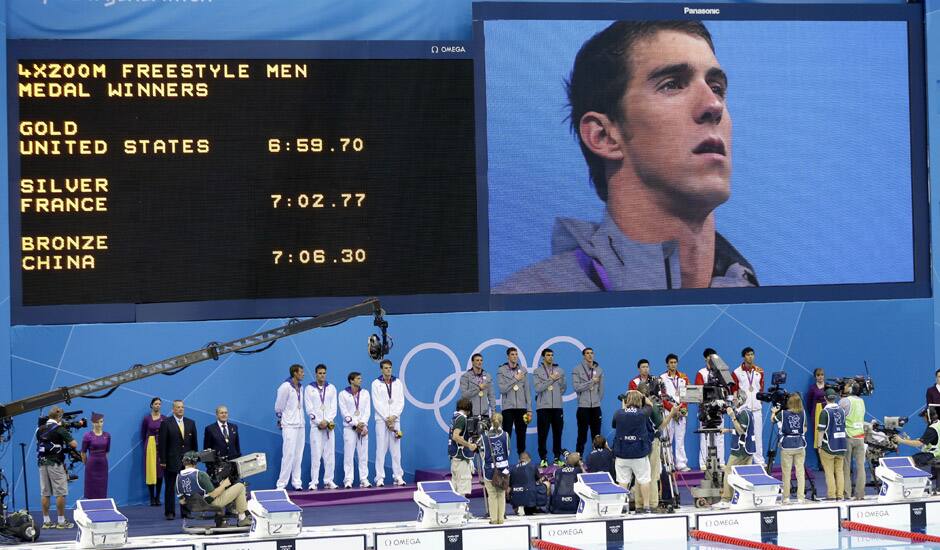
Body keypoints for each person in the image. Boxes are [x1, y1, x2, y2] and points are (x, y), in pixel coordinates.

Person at [494, 21, 758, 293]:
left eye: (716, 88)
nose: (713, 105)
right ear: (603, 137)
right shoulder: (520, 310)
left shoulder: (773, 318)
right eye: (672, 85)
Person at [175, 451, 251, 527]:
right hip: (210, 504)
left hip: (192, 507)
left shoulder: (178, 478)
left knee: (220, 491)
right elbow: (214, 494)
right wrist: (224, 485)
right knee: (240, 486)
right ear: (195, 462)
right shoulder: (201, 475)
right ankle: (242, 519)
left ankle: (220, 521)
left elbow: (182, 501)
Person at [612, 391, 654, 514]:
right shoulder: (642, 414)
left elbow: (615, 425)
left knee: (622, 481)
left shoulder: (618, 413)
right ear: (639, 401)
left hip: (622, 453)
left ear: (626, 401)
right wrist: (643, 397)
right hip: (639, 453)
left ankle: (622, 506)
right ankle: (646, 507)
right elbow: (650, 405)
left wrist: (623, 406)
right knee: (644, 480)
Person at [36, 406, 78, 529]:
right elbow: (74, 444)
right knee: (60, 493)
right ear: (59, 417)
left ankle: (46, 521)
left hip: (42, 463)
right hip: (55, 463)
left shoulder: (39, 429)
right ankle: (60, 521)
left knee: (45, 493)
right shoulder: (60, 429)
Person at [713, 392, 756, 509]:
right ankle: (746, 499)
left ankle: (726, 499)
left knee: (728, 471)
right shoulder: (747, 412)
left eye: (735, 399)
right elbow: (740, 431)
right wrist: (727, 430)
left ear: (741, 400)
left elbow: (741, 431)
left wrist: (732, 417)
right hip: (747, 448)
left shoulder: (743, 413)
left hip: (740, 450)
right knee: (744, 474)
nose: (733, 400)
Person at [158, 399, 198, 520]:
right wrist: (163, 460)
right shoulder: (166, 423)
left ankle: (186, 512)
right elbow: (162, 444)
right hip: (170, 461)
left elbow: (194, 444)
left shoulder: (191, 423)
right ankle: (169, 512)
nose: (180, 409)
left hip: (187, 463)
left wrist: (194, 460)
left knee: (186, 488)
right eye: (178, 407)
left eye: (182, 407)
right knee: (170, 487)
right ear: (173, 409)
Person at [372, 359, 406, 486]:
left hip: (395, 419)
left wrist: (394, 416)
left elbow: (400, 401)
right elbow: (377, 403)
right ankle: (379, 477)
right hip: (382, 420)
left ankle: (398, 476)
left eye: (390, 368)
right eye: (385, 368)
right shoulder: (376, 383)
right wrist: (387, 417)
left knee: (396, 450)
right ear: (381, 369)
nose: (388, 370)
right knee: (381, 449)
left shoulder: (398, 383)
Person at [304, 364, 338, 490]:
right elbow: (309, 409)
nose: (322, 375)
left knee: (330, 455)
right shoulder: (309, 389)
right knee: (316, 455)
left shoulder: (332, 388)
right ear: (315, 374)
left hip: (329, 426)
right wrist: (319, 421)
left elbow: (334, 407)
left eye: (324, 373)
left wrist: (327, 421)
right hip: (316, 427)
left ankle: (329, 480)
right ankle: (314, 481)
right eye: (320, 373)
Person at [275, 364, 306, 491]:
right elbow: (278, 406)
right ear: (295, 373)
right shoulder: (285, 387)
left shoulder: (301, 387)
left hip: (300, 424)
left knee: (299, 455)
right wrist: (282, 420)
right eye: (301, 372)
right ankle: (281, 484)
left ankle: (296, 482)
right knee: (288, 454)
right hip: (289, 425)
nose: (303, 374)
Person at [893, 406, 940, 491]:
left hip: (934, 454)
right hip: (936, 452)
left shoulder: (932, 428)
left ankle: (915, 487)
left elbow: (919, 444)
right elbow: (933, 441)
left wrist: (902, 441)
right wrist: (911, 440)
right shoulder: (938, 424)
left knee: (910, 461)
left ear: (928, 416)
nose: (923, 420)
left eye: (923, 417)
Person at [731, 347, 765, 465]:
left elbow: (760, 388)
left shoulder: (759, 371)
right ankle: (744, 461)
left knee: (758, 436)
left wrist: (759, 402)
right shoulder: (736, 372)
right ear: (743, 356)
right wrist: (736, 407)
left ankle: (759, 461)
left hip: (756, 409)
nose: (750, 357)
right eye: (748, 355)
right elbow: (734, 390)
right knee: (743, 436)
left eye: (752, 354)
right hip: (743, 410)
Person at [339, 371, 372, 488]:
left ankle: (364, 479)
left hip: (363, 428)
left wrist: (362, 424)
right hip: (349, 429)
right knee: (349, 455)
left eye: (360, 378)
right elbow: (344, 412)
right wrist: (354, 424)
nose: (360, 380)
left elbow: (367, 411)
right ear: (351, 380)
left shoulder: (365, 393)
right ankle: (348, 480)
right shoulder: (343, 394)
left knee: (363, 455)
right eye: (358, 378)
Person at [498, 347, 532, 457]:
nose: (515, 356)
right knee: (506, 435)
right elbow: (502, 389)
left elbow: (527, 390)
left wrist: (529, 409)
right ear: (508, 356)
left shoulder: (523, 370)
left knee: (521, 435)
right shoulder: (502, 370)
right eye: (512, 354)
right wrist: (515, 379)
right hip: (508, 408)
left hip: (522, 408)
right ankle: (504, 460)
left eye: (516, 354)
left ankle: (521, 460)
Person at [534, 348, 566, 467]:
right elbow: (538, 388)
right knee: (542, 434)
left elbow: (563, 387)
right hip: (543, 407)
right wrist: (551, 379)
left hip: (557, 407)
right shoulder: (537, 371)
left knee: (557, 433)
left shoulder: (560, 370)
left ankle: (557, 457)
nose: (550, 357)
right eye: (548, 355)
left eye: (552, 355)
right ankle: (543, 458)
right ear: (543, 357)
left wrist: (556, 394)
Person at [773, 393, 807, 504]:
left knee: (786, 472)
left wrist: (774, 412)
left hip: (787, 445)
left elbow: (773, 420)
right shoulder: (803, 413)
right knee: (800, 472)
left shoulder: (783, 413)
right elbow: (805, 428)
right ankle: (801, 497)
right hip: (800, 445)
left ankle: (786, 497)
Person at [696, 348, 725, 469]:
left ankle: (721, 461)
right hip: (706, 408)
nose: (712, 359)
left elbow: (724, 388)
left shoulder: (721, 372)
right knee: (705, 436)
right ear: (706, 358)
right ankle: (704, 463)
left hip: (718, 407)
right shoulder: (701, 373)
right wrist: (705, 406)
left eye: (714, 356)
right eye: (709, 357)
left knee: (720, 435)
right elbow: (698, 391)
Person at [660, 354, 690, 471]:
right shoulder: (662, 378)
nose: (673, 364)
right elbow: (662, 397)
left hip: (681, 412)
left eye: (675, 362)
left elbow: (686, 396)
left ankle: (681, 463)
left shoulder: (684, 377)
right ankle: (668, 463)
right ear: (667, 364)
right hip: (668, 412)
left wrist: (682, 409)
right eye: (671, 362)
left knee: (680, 438)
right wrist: (672, 410)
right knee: (668, 438)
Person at [480, 412, 511, 524]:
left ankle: (493, 519)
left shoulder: (484, 437)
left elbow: (482, 453)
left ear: (490, 422)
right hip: (503, 469)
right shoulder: (506, 435)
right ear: (501, 421)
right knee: (501, 494)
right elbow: (508, 452)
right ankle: (501, 519)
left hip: (489, 470)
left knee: (492, 495)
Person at [572, 347, 604, 456]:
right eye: (587, 353)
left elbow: (601, 389)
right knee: (582, 435)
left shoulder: (599, 370)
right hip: (583, 407)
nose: (590, 355)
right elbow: (577, 387)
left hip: (596, 407)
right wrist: (591, 382)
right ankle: (578, 458)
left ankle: (598, 457)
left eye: (591, 353)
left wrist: (596, 400)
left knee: (597, 436)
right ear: (584, 356)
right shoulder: (577, 369)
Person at [817, 388, 847, 500]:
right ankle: (840, 495)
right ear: (835, 397)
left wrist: (819, 446)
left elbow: (821, 431)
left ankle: (831, 495)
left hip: (828, 446)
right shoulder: (842, 411)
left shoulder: (824, 412)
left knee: (829, 472)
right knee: (839, 471)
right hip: (841, 446)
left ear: (825, 398)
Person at [840, 380, 867, 500]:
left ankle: (846, 493)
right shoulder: (861, 401)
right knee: (861, 467)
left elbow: (838, 415)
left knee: (846, 467)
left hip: (848, 436)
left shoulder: (844, 401)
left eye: (846, 386)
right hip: (860, 437)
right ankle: (860, 494)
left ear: (850, 389)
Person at [448, 397, 478, 497]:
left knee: (455, 485)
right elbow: (455, 436)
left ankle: (455, 511)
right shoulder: (461, 419)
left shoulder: (455, 417)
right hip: (461, 457)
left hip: (455, 455)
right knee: (463, 484)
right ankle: (462, 511)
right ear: (469, 409)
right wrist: (469, 445)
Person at [202, 405, 241, 478]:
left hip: (233, 465)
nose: (224, 414)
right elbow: (206, 449)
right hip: (218, 467)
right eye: (221, 413)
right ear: (217, 415)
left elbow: (237, 446)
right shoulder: (210, 429)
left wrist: (238, 461)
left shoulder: (234, 427)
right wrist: (210, 467)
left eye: (226, 413)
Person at [141, 397, 166, 507]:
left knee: (160, 472)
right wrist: (147, 445)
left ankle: (157, 497)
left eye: (159, 404)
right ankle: (151, 497)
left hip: (161, 446)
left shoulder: (164, 418)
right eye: (156, 404)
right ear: (151, 405)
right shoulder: (147, 419)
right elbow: (143, 434)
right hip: (150, 445)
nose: (158, 406)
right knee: (151, 471)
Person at [81, 412, 111, 499]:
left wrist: (103, 461)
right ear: (92, 423)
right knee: (91, 485)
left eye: (101, 422)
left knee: (102, 485)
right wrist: (87, 464)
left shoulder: (107, 435)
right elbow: (83, 452)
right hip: (91, 464)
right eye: (97, 422)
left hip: (103, 464)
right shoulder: (87, 436)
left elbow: (107, 451)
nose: (99, 424)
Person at [509, 451, 548, 516]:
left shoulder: (512, 469)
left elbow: (510, 485)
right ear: (529, 459)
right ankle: (537, 507)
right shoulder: (532, 466)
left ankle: (519, 506)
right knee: (545, 484)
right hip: (530, 500)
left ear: (519, 460)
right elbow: (539, 481)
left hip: (516, 499)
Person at [459, 353, 496, 418]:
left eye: (481, 360)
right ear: (472, 362)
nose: (480, 362)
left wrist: (493, 411)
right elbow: (464, 395)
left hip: (485, 414)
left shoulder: (487, 376)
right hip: (471, 413)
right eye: (477, 360)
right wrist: (478, 388)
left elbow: (491, 395)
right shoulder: (465, 377)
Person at [806, 368, 828, 469]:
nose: (820, 377)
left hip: (828, 413)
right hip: (816, 414)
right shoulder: (812, 388)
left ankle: (828, 461)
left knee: (827, 437)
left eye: (822, 375)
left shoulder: (828, 387)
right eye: (818, 375)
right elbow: (809, 403)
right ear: (815, 377)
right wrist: (813, 414)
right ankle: (820, 462)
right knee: (817, 438)